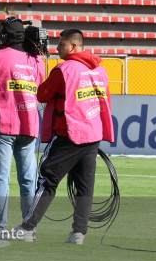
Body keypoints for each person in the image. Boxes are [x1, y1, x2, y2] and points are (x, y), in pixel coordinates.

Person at [9, 29, 114, 244]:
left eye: (61, 44)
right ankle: (78, 234)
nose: (57, 48)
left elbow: (42, 94)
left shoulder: (64, 69)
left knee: (47, 180)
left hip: (69, 133)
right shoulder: (100, 70)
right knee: (85, 187)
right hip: (93, 135)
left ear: (73, 46)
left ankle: (27, 228)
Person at [0, 16, 45, 238]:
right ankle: (29, 228)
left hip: (4, 123)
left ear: (5, 36)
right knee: (28, 180)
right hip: (29, 124)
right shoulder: (38, 60)